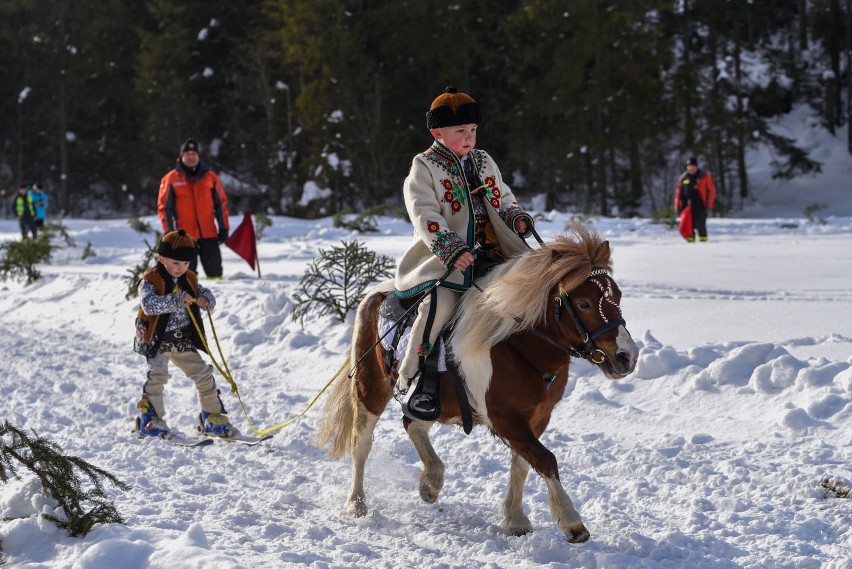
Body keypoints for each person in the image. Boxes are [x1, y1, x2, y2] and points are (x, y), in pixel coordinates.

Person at [393, 86, 534, 419]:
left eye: (472, 130)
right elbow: (424, 214)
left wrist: (517, 218)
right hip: (445, 261)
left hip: (494, 253)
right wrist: (451, 249)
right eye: (460, 132)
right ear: (437, 132)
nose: (469, 138)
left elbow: (502, 196)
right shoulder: (424, 167)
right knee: (439, 308)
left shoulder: (483, 161)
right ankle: (416, 378)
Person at [133, 229, 236, 438]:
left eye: (186, 264)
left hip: (182, 339)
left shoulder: (188, 278)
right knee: (158, 377)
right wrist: (179, 299)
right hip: (158, 339)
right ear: (162, 258)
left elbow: (202, 291)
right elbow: (149, 305)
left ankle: (212, 416)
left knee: (203, 374)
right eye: (176, 263)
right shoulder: (150, 280)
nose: (181, 268)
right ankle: (151, 419)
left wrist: (205, 299)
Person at [157, 139, 230, 279]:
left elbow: (221, 204)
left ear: (198, 156)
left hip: (209, 234)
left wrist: (224, 228)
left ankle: (217, 299)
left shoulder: (210, 177)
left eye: (194, 153)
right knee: (185, 276)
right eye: (187, 154)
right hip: (184, 237)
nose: (191, 156)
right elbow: (164, 208)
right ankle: (188, 301)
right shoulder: (171, 179)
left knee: (215, 274)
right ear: (181, 156)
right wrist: (169, 233)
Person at [675, 156, 716, 242]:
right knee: (688, 225)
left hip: (700, 205)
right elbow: (679, 192)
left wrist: (709, 204)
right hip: (687, 207)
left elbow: (711, 191)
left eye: (693, 167)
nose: (691, 169)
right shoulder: (684, 178)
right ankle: (691, 243)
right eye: (689, 167)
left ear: (696, 167)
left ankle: (703, 242)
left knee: (700, 224)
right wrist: (677, 205)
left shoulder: (704, 177)